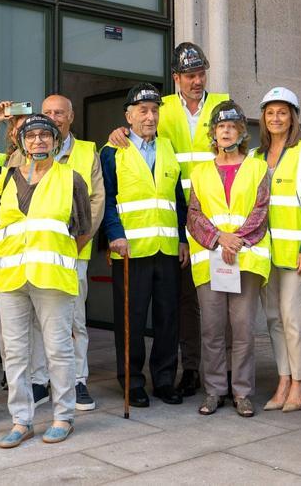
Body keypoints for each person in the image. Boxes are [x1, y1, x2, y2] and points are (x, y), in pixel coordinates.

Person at [109, 42, 229, 396]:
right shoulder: (151, 117)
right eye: (190, 75)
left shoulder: (220, 105)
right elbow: (112, 192)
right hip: (158, 233)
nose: (197, 80)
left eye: (201, 73)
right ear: (176, 77)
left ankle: (206, 375)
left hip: (217, 216)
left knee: (202, 303)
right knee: (166, 310)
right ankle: (163, 376)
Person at [0, 114, 91, 448]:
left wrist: (56, 256)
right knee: (16, 353)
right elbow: (0, 226)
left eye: (45, 136)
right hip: (11, 278)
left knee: (58, 350)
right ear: (21, 142)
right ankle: (22, 421)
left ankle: (63, 416)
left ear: (56, 141)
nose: (38, 141)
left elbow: (83, 230)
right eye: (31, 136)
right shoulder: (5, 180)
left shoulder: (71, 178)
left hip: (52, 278)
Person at [4, 95, 104, 411]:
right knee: (34, 322)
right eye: (47, 112)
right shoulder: (20, 154)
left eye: (59, 112)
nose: (53, 117)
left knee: (73, 320)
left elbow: (96, 202)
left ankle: (77, 381)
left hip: (71, 251)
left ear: (70, 117)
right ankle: (38, 381)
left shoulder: (87, 152)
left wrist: (75, 245)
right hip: (29, 256)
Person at [101, 84, 188, 407]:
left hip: (166, 249)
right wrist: (114, 234)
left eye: (154, 110)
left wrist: (181, 238)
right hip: (130, 250)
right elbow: (107, 199)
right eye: (143, 111)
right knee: (131, 321)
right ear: (129, 116)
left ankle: (164, 380)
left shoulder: (168, 148)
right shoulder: (112, 151)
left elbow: (177, 200)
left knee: (168, 319)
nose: (150, 117)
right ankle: (132, 382)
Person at [185, 101, 271, 418]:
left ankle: (243, 392)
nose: (225, 132)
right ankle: (214, 391)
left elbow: (260, 211)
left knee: (243, 329)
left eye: (232, 127)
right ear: (213, 134)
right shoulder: (200, 171)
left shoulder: (257, 168)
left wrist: (237, 240)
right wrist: (220, 238)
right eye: (220, 127)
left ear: (240, 133)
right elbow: (194, 215)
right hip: (211, 259)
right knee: (211, 330)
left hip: (245, 260)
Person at [251, 87, 301, 412]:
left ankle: (300, 382)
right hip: (265, 254)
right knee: (273, 319)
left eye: (282, 112)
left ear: (292, 117)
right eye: (270, 113)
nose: (276, 118)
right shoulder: (254, 156)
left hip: (297, 254)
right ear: (263, 118)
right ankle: (282, 378)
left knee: (294, 318)